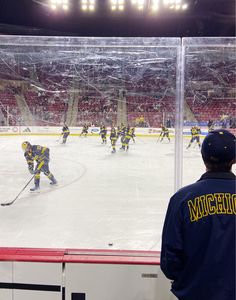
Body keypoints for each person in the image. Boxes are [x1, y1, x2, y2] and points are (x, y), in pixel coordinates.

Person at [160, 129, 236, 300]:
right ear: (234, 159)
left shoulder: (182, 199)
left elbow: (169, 262)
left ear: (203, 157)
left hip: (195, 294)